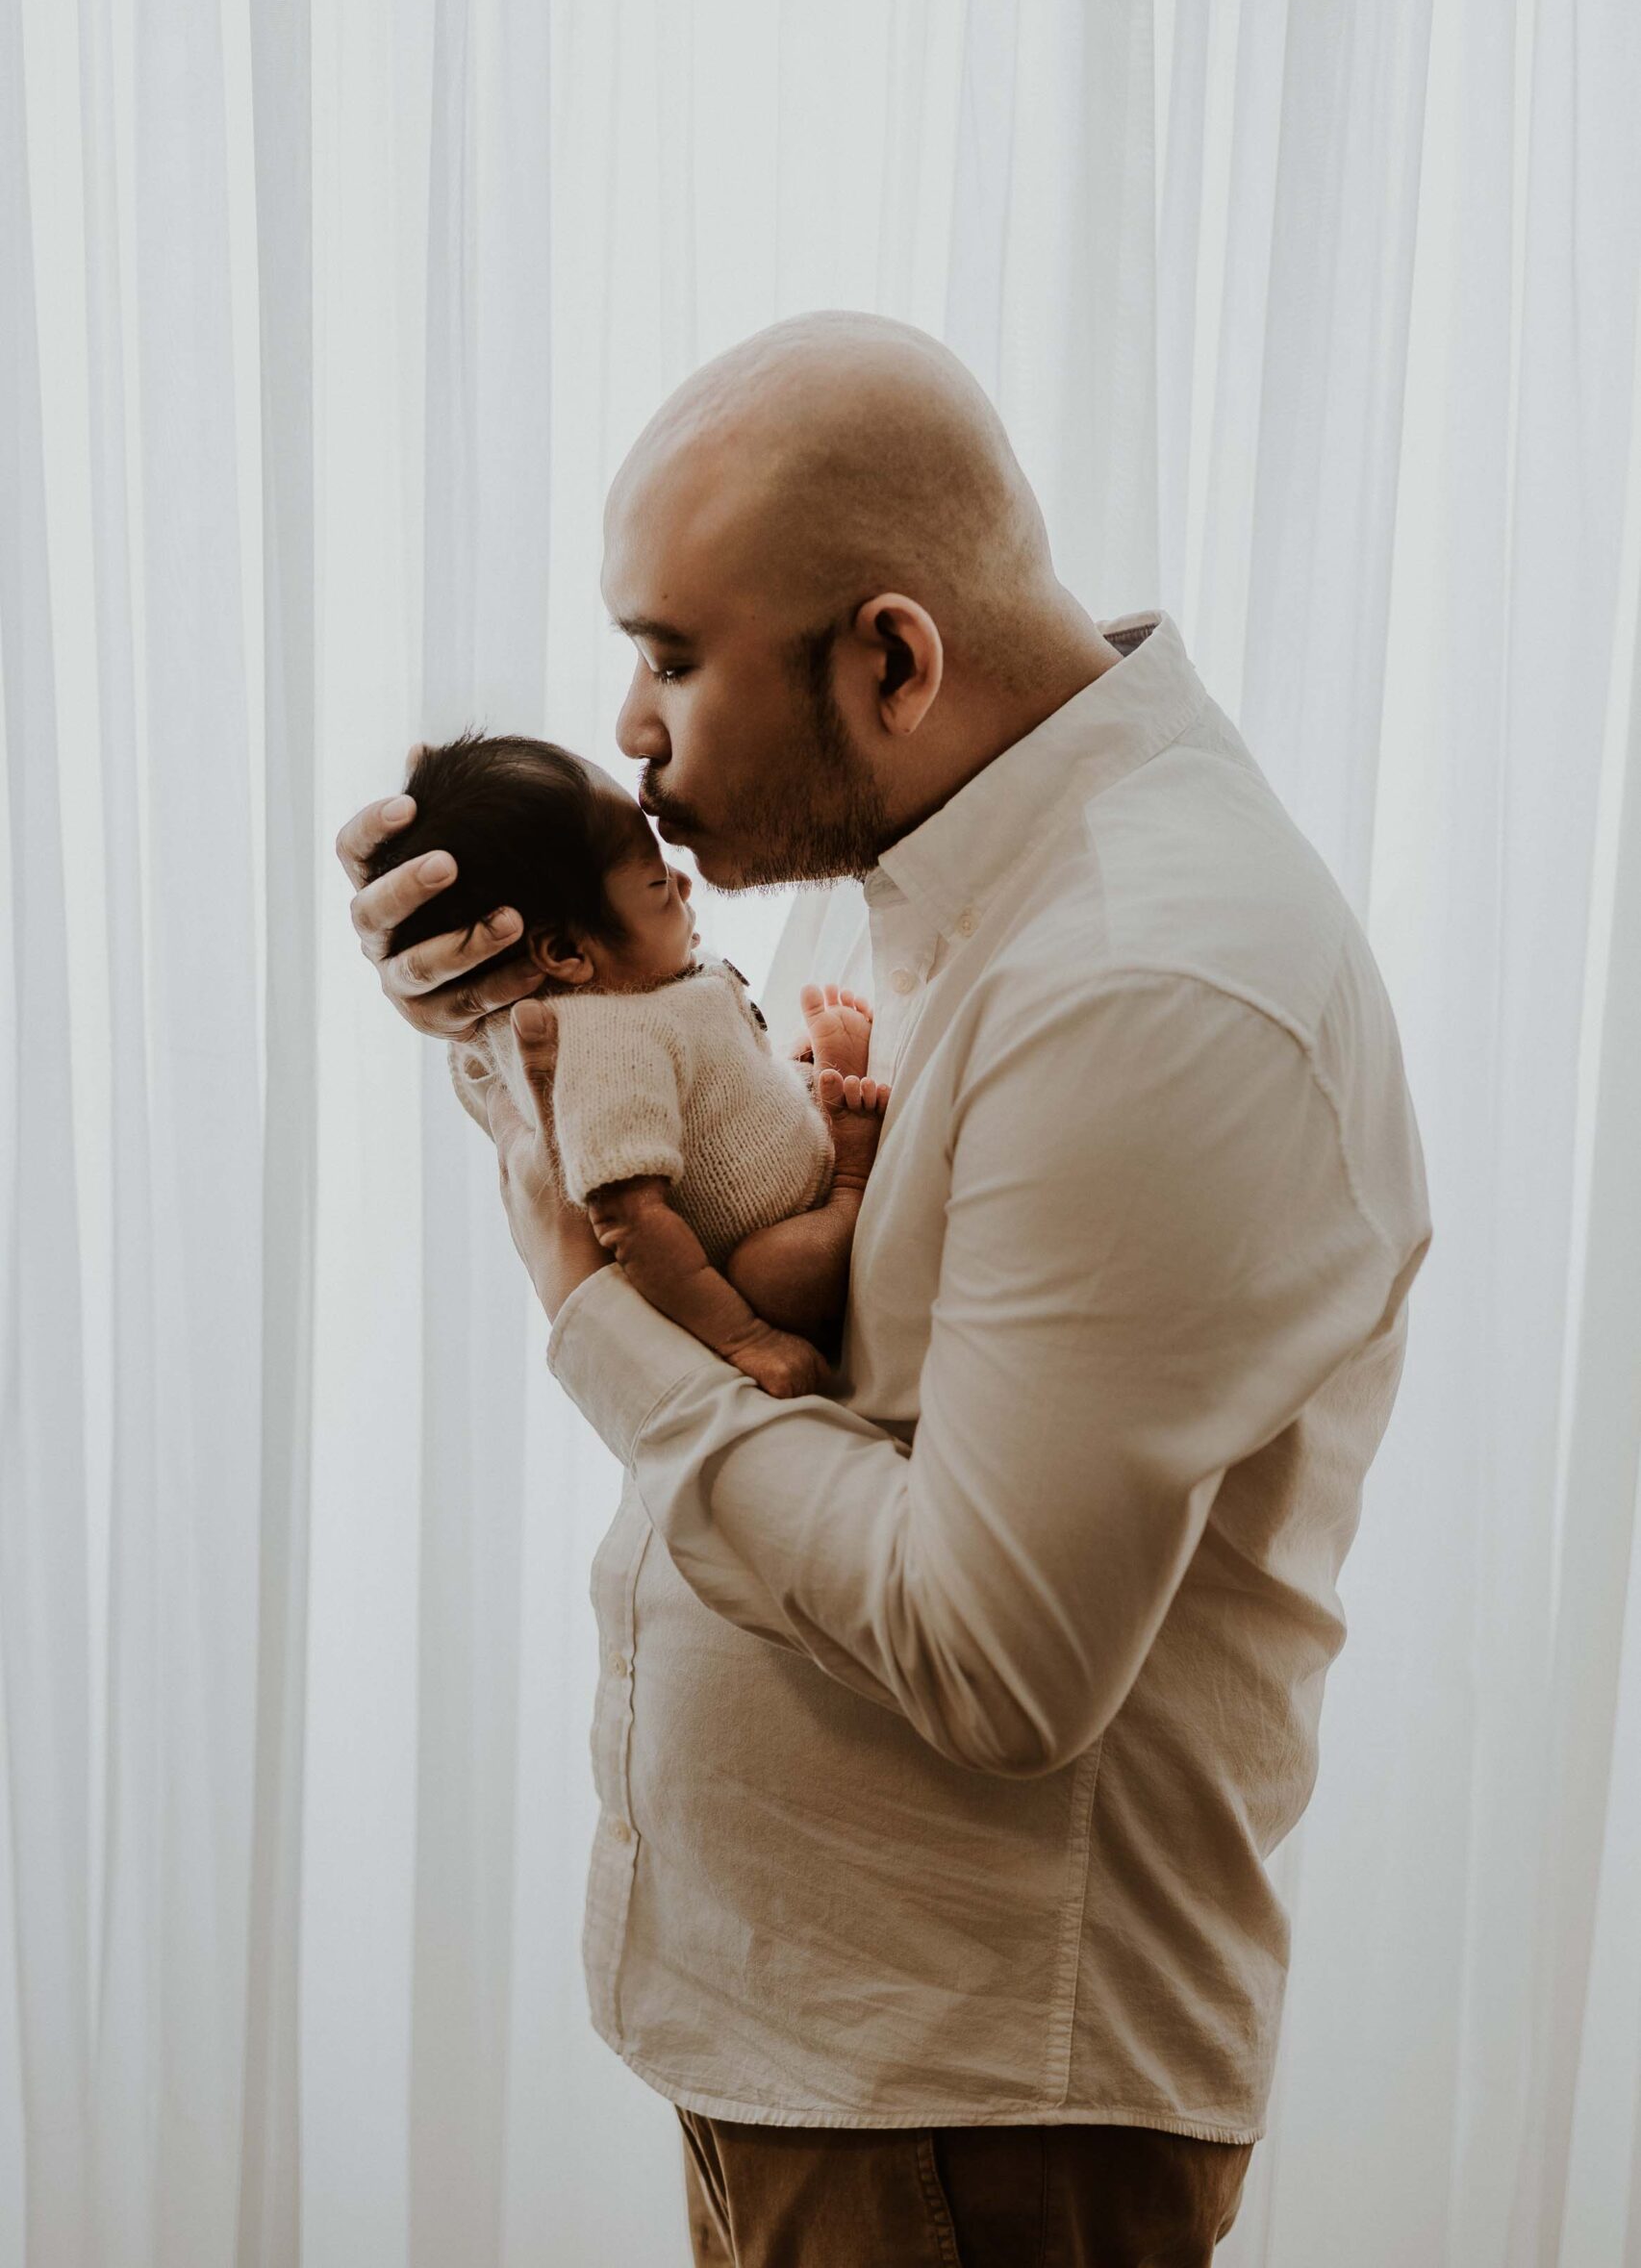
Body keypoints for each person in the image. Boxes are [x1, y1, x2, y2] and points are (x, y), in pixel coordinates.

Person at [336, 310, 1432, 2267]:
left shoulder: (1141, 981)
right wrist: (522, 1021)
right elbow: (811, 1289)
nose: (633, 731)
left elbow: (994, 1656)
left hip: (969, 2130)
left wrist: (591, 1317)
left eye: (670, 655)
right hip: (845, 2071)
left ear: (892, 657)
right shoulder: (947, 866)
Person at [355, 726, 890, 1398]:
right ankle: (851, 1178)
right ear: (566, 955)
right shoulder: (602, 1044)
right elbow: (629, 1219)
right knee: (772, 1271)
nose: (685, 882)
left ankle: (809, 1085)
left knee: (783, 1071)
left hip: (763, 1140)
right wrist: (745, 1338)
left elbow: (705, 1086)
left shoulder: (627, 989)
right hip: (774, 1243)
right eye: (656, 883)